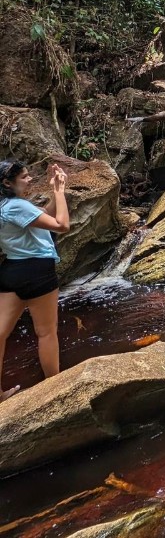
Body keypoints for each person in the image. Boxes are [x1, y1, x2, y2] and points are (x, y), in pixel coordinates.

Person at [0, 160, 70, 402]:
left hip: (11, 271)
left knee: (0, 333)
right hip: (37, 270)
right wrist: (60, 191)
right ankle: (56, 391)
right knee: (46, 333)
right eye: (25, 177)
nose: (30, 179)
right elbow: (62, 225)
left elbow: (45, 216)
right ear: (7, 183)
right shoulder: (17, 206)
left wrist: (54, 192)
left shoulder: (6, 206)